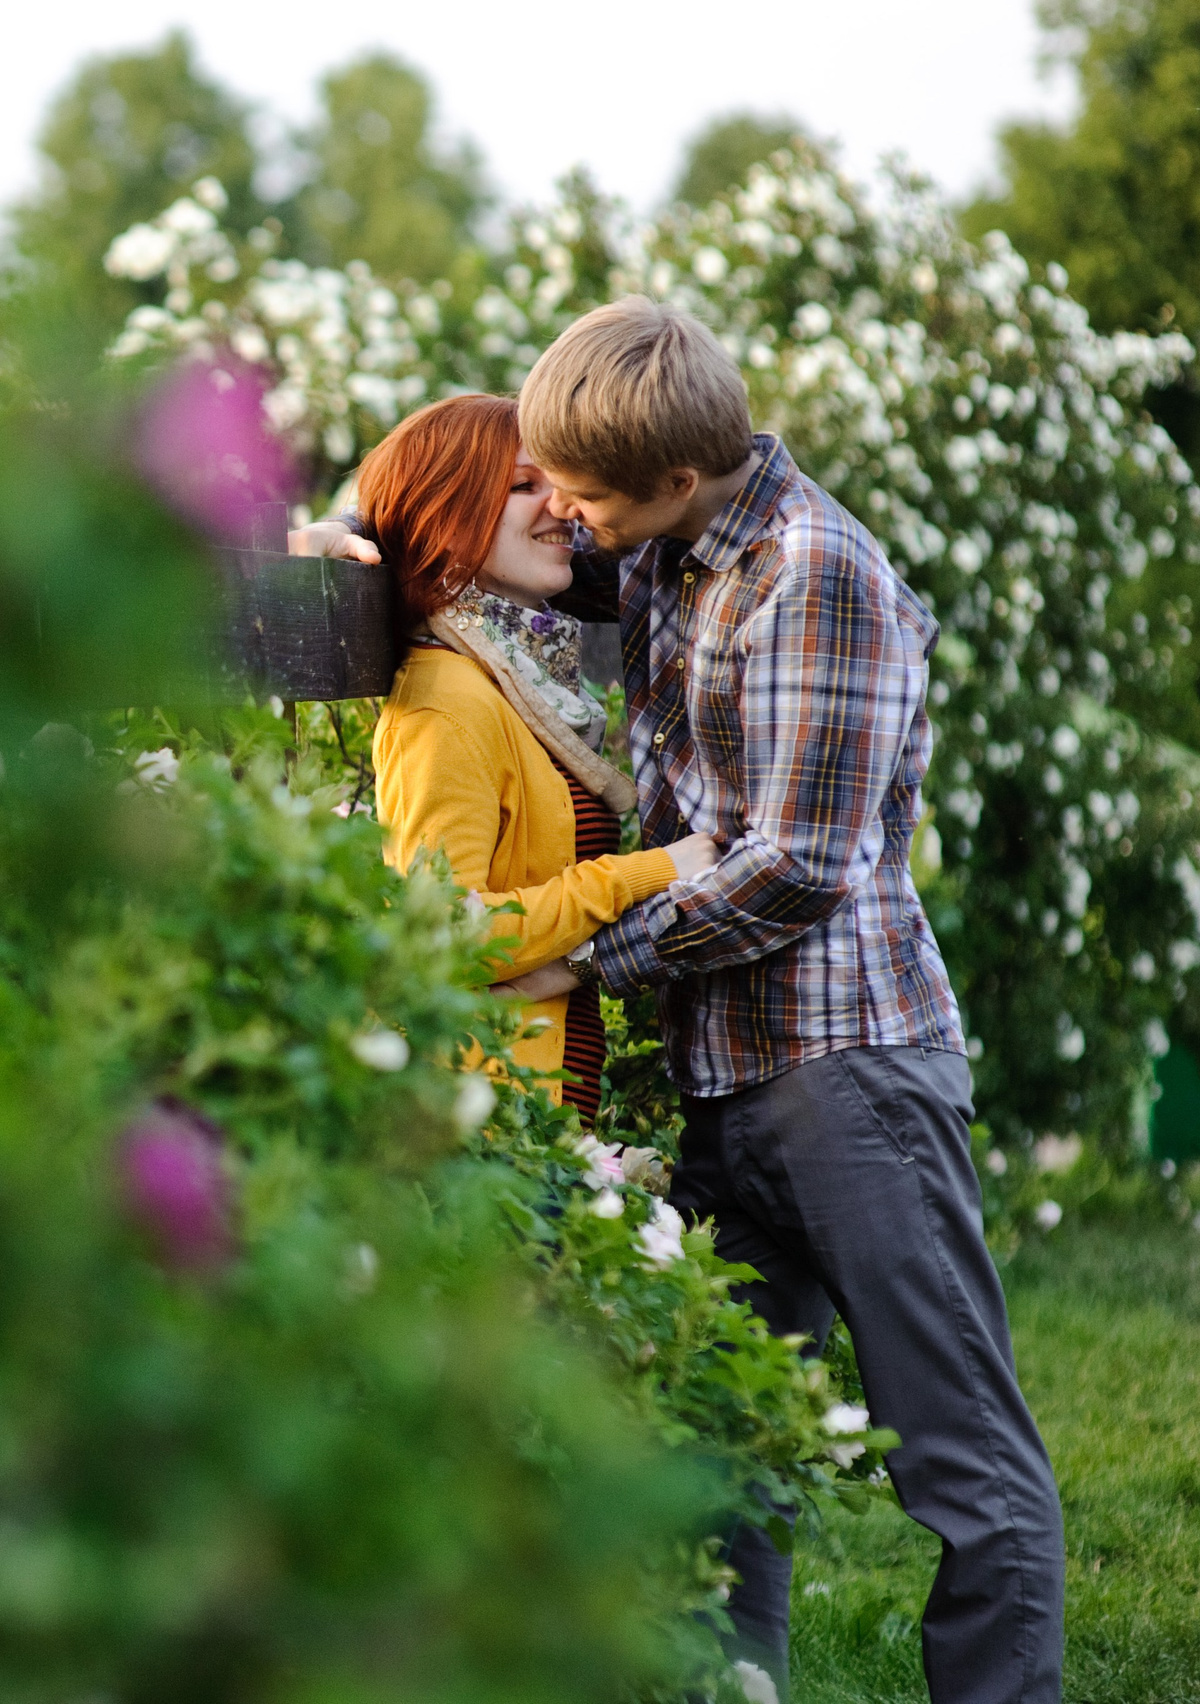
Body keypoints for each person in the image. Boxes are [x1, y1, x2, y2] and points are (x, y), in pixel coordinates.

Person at [308, 299, 1064, 1704]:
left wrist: (592, 958)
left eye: (587, 493)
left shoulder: (814, 574)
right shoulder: (660, 543)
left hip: (849, 1071)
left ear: (673, 479)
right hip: (732, 1074)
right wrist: (353, 543)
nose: (573, 519)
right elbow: (464, 544)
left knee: (955, 1447)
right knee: (732, 1443)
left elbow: (796, 870)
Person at [322, 392, 719, 1120]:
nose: (562, 508)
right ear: (448, 513)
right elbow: (442, 934)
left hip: (530, 1110)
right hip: (472, 1118)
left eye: (561, 486)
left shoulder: (517, 679)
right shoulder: (448, 696)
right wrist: (647, 874)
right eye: (522, 486)